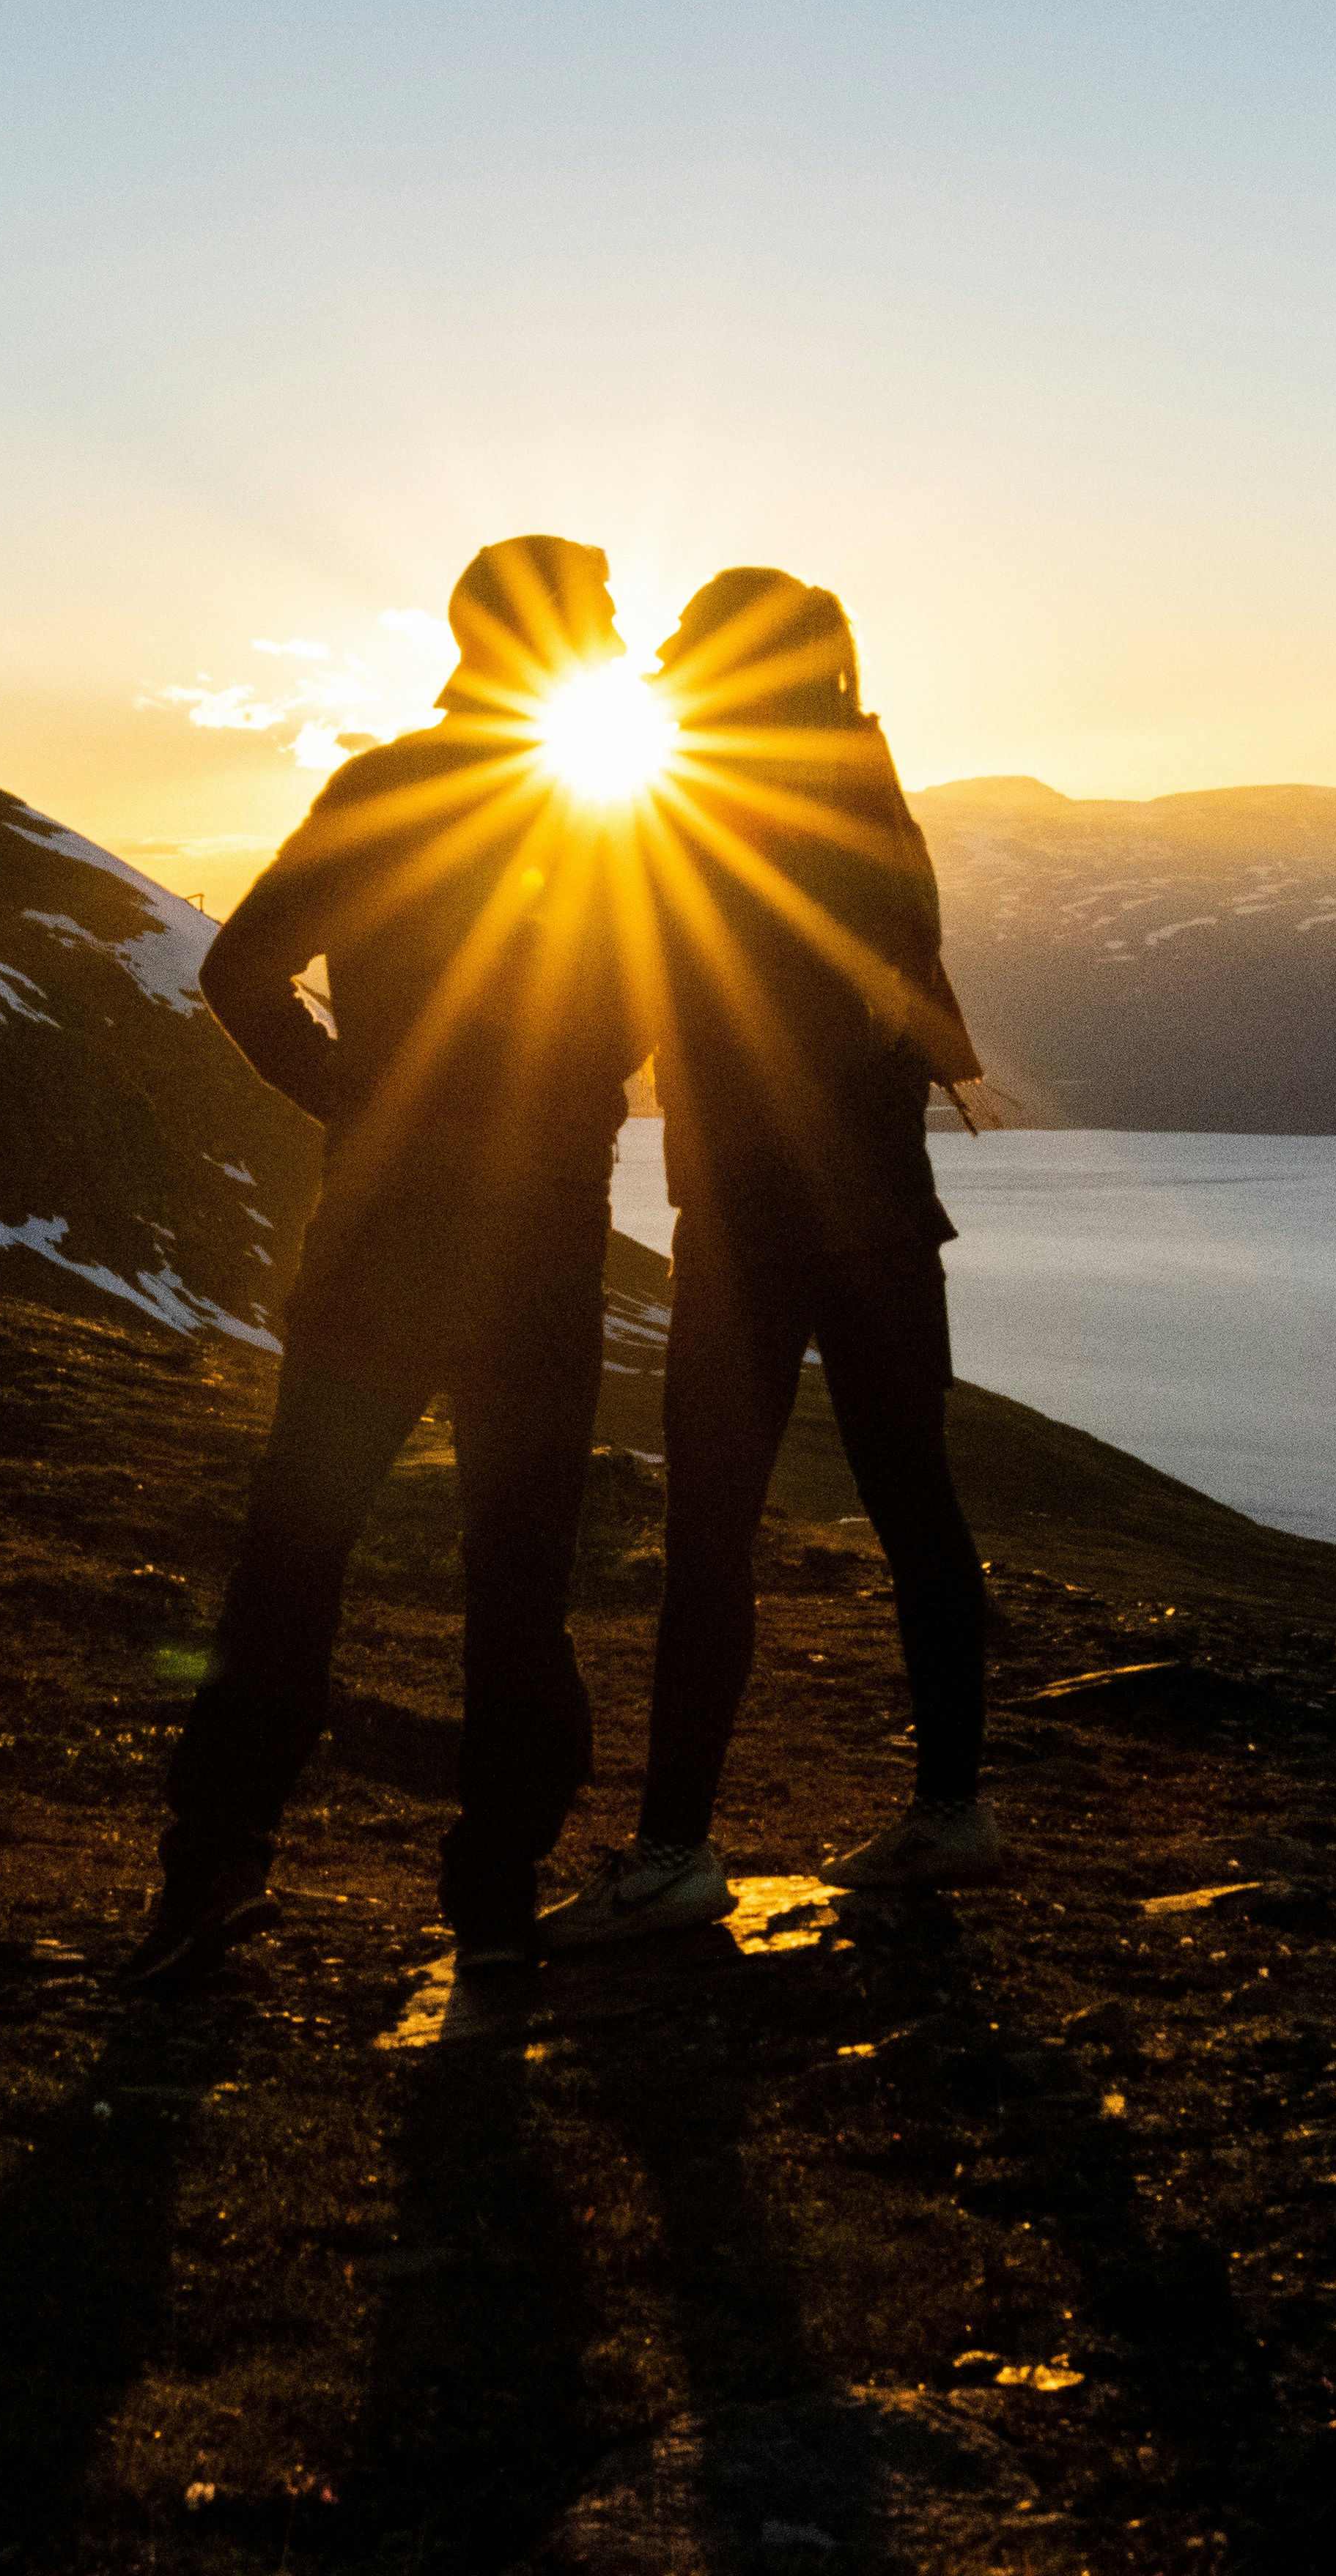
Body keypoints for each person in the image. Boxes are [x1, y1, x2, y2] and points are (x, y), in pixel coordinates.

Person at [112, 534, 647, 1992]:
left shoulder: (385, 789)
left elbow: (240, 969)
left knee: (301, 1541)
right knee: (517, 1567)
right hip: (533, 1240)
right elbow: (642, 1004)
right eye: (602, 613)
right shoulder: (609, 806)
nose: (618, 632)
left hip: (384, 1223)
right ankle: (493, 1893)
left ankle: (214, 1859)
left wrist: (356, 1094)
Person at [539, 567, 1000, 1950]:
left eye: (689, 642)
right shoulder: (867, 790)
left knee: (711, 1536)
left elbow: (645, 992)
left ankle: (676, 1848)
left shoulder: (710, 805)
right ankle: (952, 1813)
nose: (666, 661)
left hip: (752, 1226)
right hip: (883, 1219)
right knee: (917, 1510)